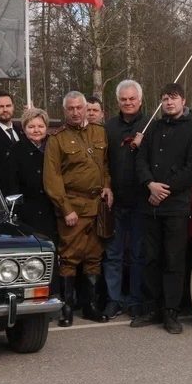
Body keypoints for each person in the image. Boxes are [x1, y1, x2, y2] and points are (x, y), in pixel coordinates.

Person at [131, 83, 192, 334]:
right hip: (150, 205)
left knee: (173, 260)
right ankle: (152, 307)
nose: (169, 103)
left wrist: (164, 190)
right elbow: (140, 160)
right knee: (151, 258)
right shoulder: (154, 129)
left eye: (173, 98)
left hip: (176, 207)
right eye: (164, 99)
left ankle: (171, 312)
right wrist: (150, 184)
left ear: (183, 101)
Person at [44, 90, 114, 326]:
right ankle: (66, 310)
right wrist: (65, 209)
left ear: (86, 108)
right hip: (73, 207)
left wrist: (107, 186)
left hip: (97, 206)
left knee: (94, 257)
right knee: (69, 258)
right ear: (64, 111)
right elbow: (52, 178)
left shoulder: (100, 132)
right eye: (70, 108)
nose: (75, 112)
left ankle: (92, 307)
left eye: (79, 108)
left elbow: (105, 165)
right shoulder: (57, 139)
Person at [103, 80, 148, 322]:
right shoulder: (108, 127)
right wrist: (107, 186)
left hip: (142, 201)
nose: (128, 103)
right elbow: (103, 162)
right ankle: (114, 300)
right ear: (118, 101)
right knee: (113, 254)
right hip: (116, 202)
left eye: (132, 99)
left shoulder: (151, 125)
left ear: (140, 100)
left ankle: (136, 300)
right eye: (124, 99)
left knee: (138, 254)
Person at [0, 107, 57, 240]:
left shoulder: (54, 146)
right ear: (24, 129)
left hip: (52, 210)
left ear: (46, 127)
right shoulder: (15, 151)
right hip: (27, 212)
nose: (36, 130)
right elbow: (10, 183)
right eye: (31, 126)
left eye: (40, 126)